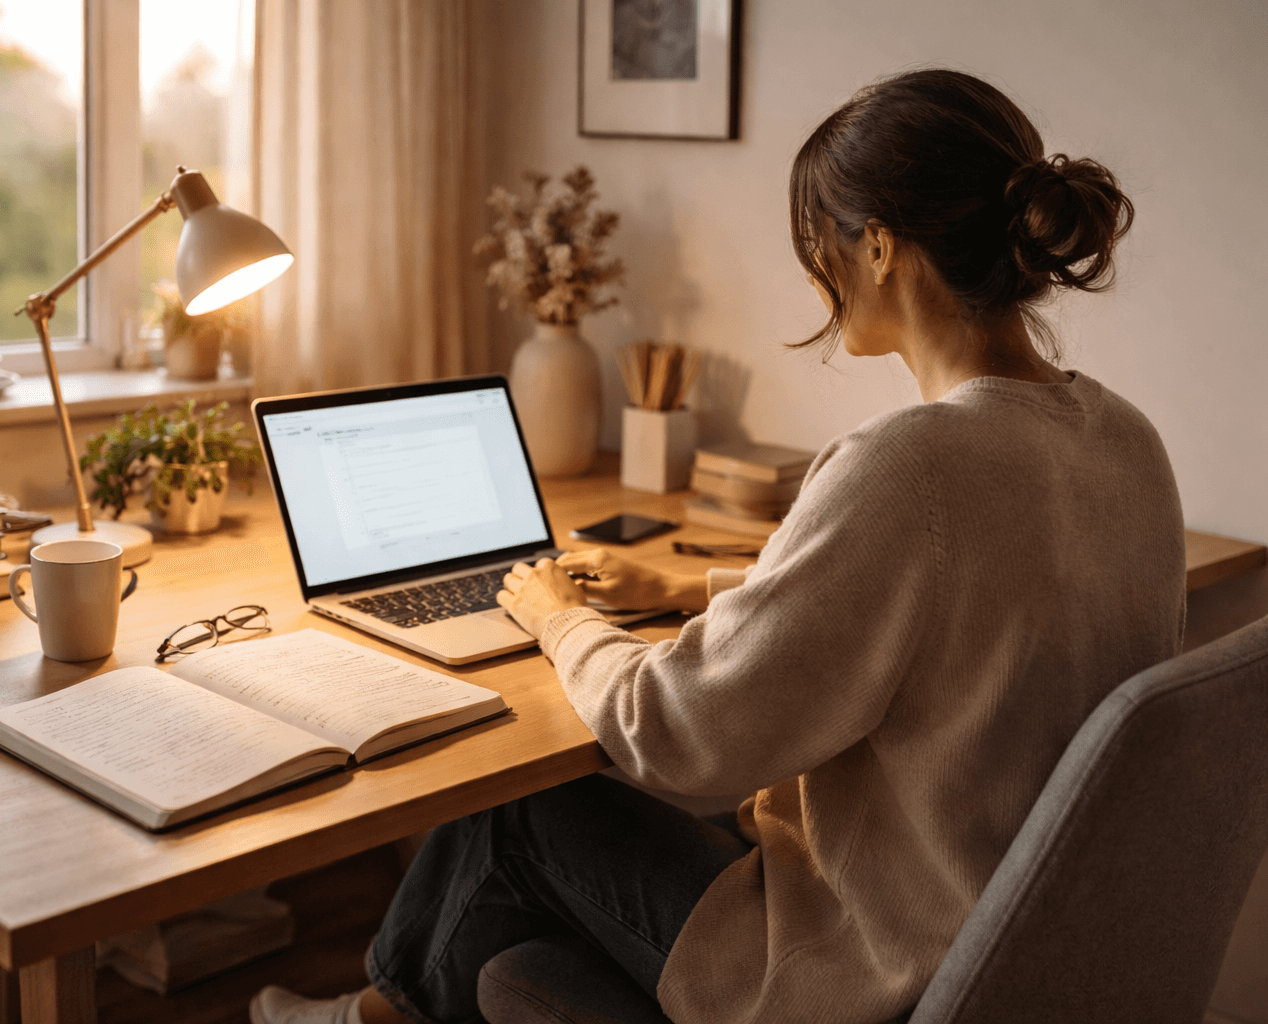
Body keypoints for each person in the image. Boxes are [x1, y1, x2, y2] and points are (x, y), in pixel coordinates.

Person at [249, 68, 1186, 1024]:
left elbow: (681, 734)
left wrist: (560, 619)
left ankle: (364, 1015)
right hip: (1018, 946)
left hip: (876, 962)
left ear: (877, 246)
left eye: (819, 240)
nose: (815, 267)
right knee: (516, 959)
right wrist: (698, 587)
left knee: (518, 812)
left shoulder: (910, 463)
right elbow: (971, 609)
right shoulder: (1124, 438)